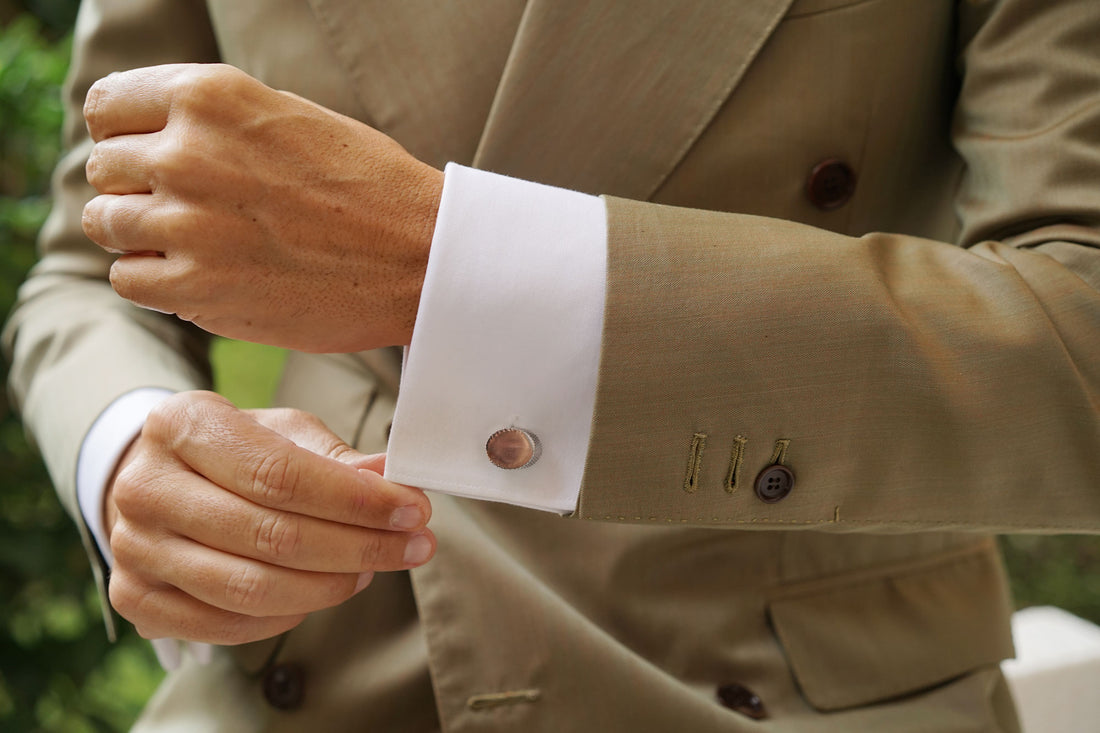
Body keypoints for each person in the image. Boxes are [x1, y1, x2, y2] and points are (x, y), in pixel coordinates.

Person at [5, 0, 1099, 730]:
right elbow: (85, 266)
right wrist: (131, 448)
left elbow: (1078, 328)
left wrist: (450, 267)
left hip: (763, 679)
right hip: (316, 654)